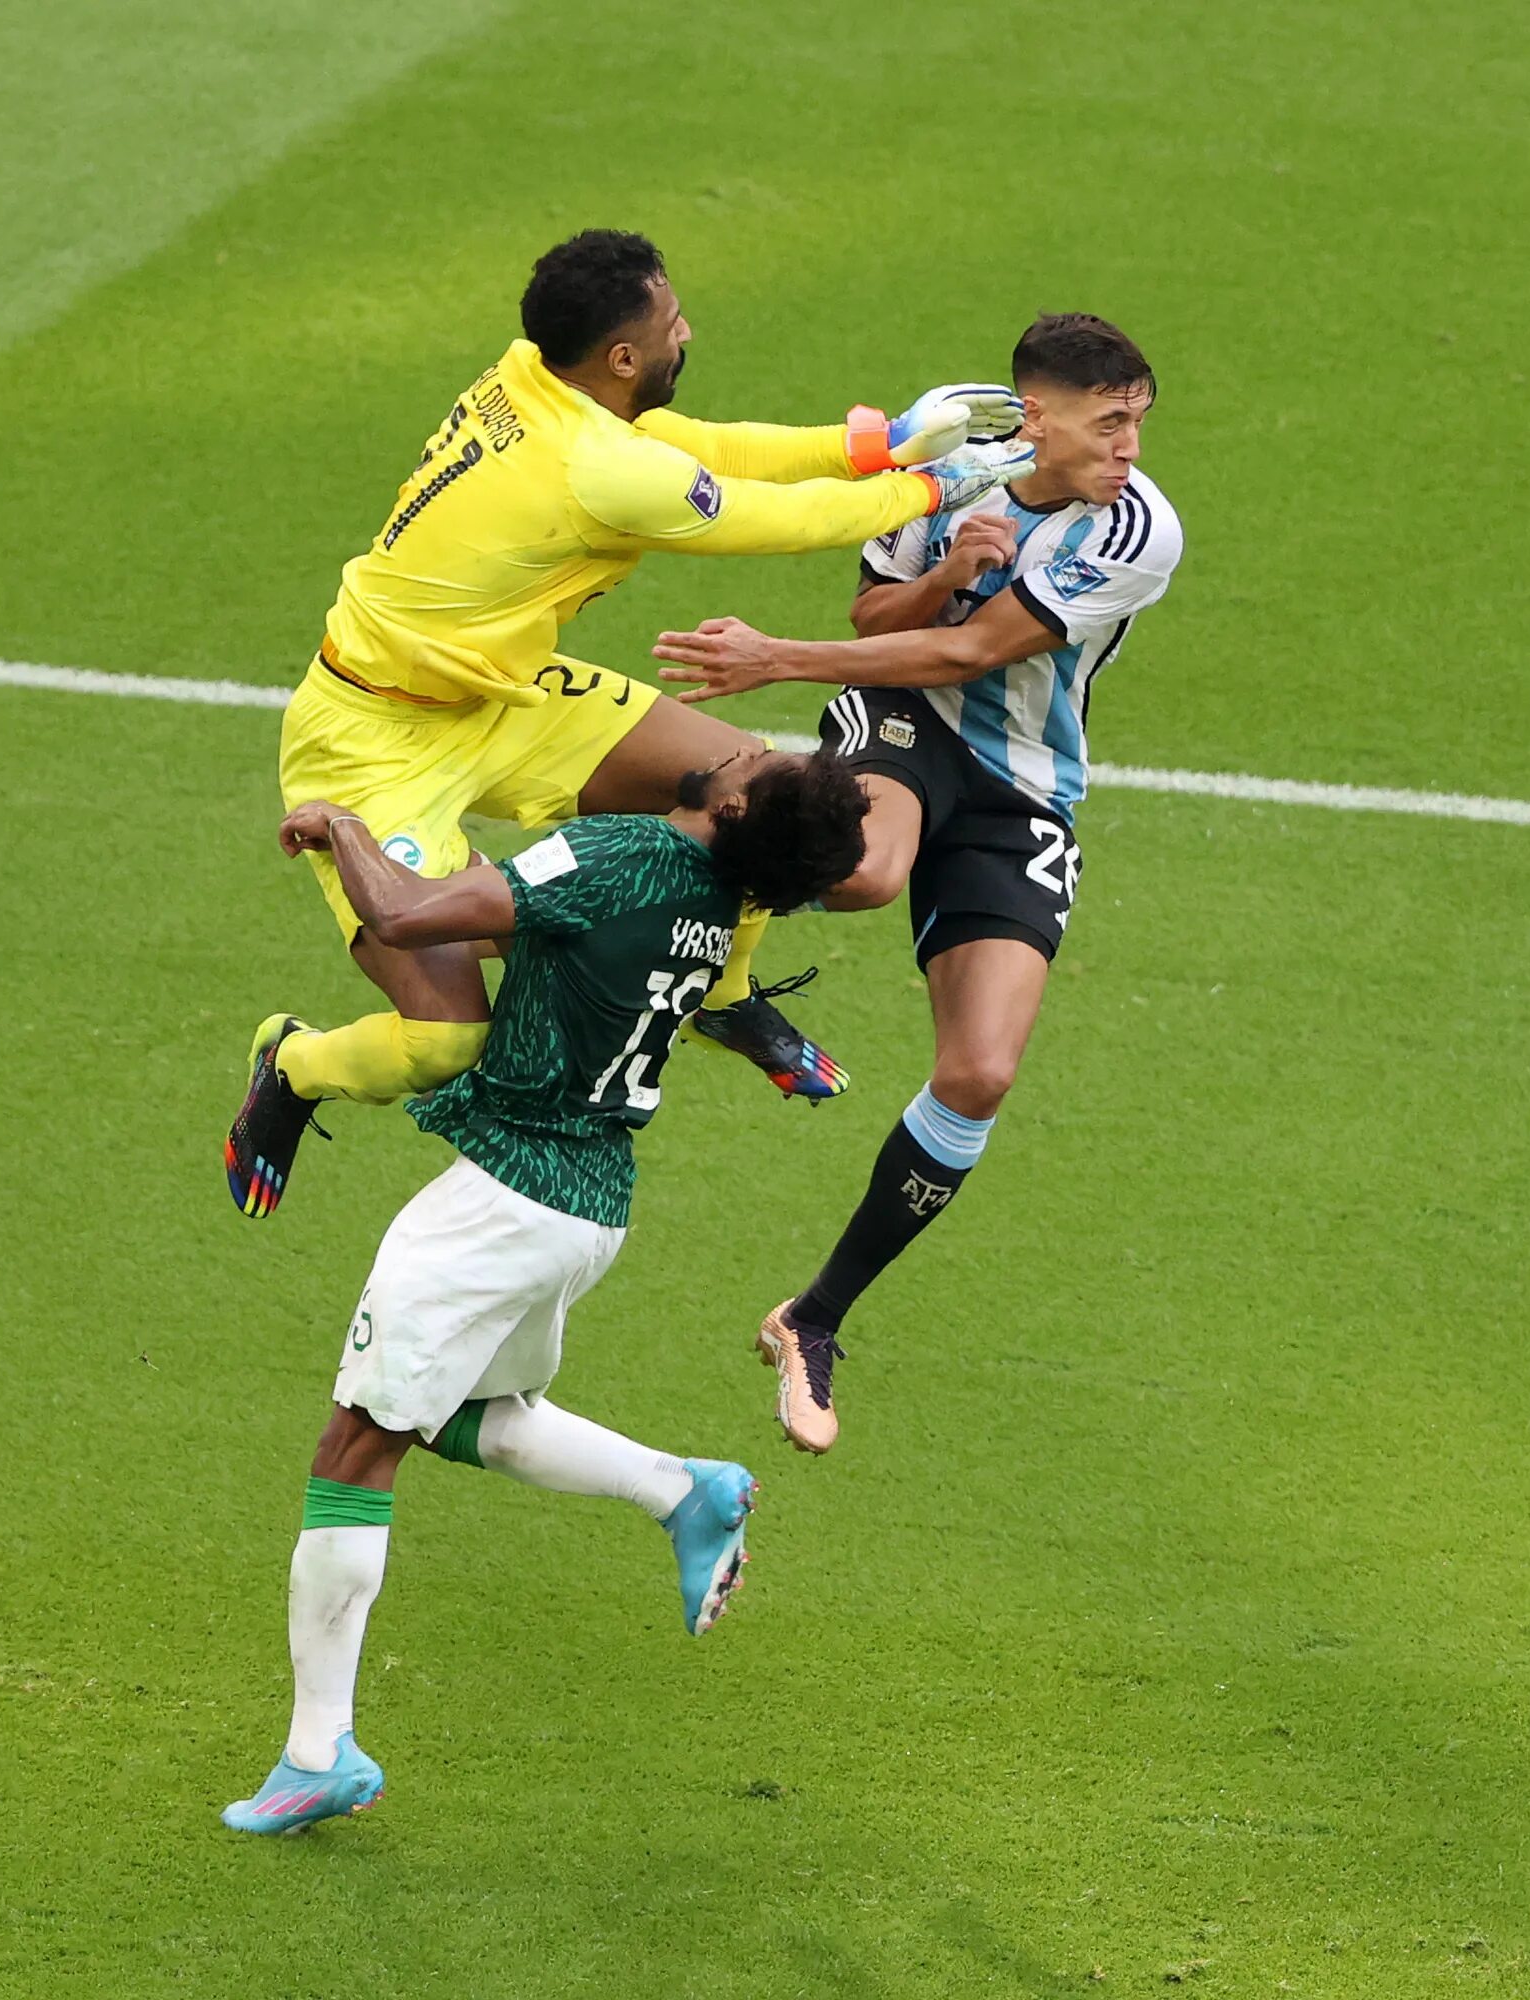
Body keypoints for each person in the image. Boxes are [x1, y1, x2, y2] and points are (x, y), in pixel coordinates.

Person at [226, 229, 1027, 1222]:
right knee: (445, 1044)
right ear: (620, 358)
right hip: (369, 740)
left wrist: (889, 437)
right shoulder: (592, 466)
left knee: (760, 783)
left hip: (503, 692)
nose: (685, 332)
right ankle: (295, 1064)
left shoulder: (537, 377)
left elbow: (707, 445)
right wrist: (940, 486)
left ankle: (718, 992)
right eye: (670, 325)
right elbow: (768, 518)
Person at [219, 744, 872, 1832]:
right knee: (471, 1414)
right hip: (591, 1201)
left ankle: (316, 1748)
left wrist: (343, 831)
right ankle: (684, 1490)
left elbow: (412, 916)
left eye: (758, 755)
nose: (739, 742)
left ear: (736, 802)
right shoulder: (717, 904)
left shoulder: (624, 856)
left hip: (505, 1201)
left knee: (355, 1446)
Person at [651, 315, 1183, 1454]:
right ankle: (692, 891)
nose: (1130, 445)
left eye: (1139, 419)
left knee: (980, 1071)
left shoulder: (1139, 528)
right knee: (864, 870)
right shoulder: (955, 446)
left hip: (1023, 788)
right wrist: (945, 565)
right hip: (901, 727)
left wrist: (775, 657)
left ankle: (812, 1317)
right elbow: (879, 620)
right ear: (1036, 416)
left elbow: (967, 652)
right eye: (1109, 422)